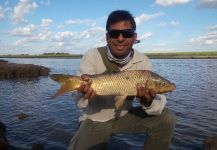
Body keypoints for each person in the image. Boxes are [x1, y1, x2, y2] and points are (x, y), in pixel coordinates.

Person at [68, 10, 176, 150]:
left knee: (167, 118)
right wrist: (83, 94)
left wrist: (147, 101)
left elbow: (158, 106)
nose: (120, 38)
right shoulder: (91, 56)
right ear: (107, 37)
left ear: (134, 37)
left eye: (127, 33)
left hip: (126, 117)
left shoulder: (143, 61)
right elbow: (78, 102)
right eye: (114, 34)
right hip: (95, 119)